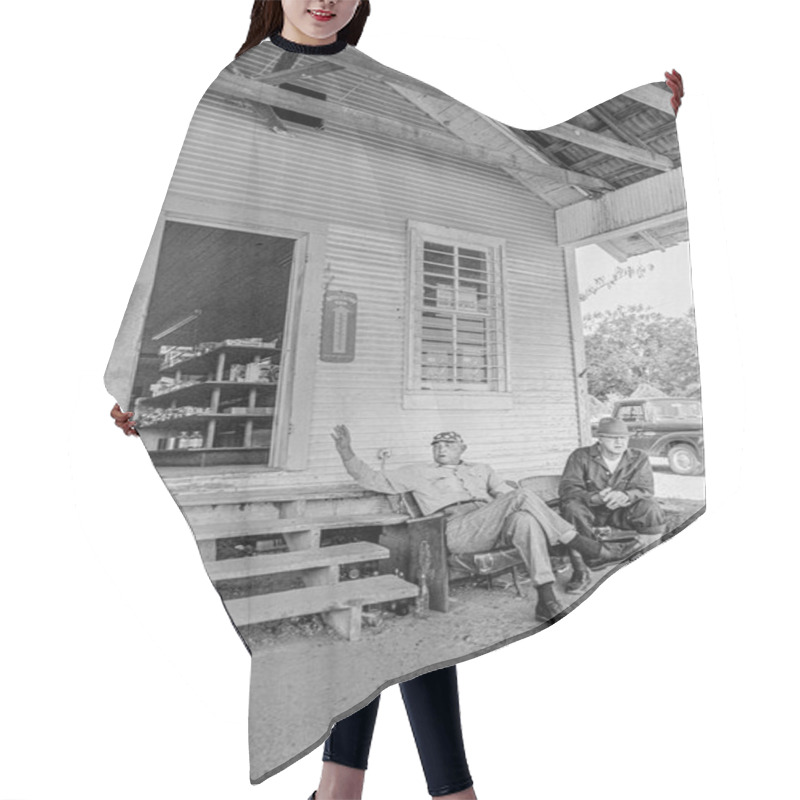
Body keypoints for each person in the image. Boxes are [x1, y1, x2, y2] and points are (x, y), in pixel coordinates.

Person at [107, 3, 685, 797]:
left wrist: (642, 120)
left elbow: (514, 143)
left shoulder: (383, 88)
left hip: (472, 514)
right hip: (429, 511)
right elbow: (174, 239)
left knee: (408, 631)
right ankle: (429, 787)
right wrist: (135, 373)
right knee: (409, 632)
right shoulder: (231, 88)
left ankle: (356, 788)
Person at [332, 424, 640, 623]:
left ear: (462, 450)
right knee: (521, 499)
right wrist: (347, 452)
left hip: (490, 522)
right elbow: (370, 478)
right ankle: (586, 547)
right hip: (455, 529)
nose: (441, 449)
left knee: (523, 519)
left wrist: (522, 508)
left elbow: (508, 497)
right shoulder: (415, 471)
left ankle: (545, 600)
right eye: (436, 445)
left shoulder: (482, 469)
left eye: (448, 445)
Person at [558, 417, 667, 594]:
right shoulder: (580, 456)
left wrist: (627, 495)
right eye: (612, 437)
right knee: (572, 508)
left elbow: (646, 489)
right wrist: (595, 497)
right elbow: (568, 490)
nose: (619, 442)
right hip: (590, 512)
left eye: (623, 438)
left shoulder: (639, 457)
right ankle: (581, 571)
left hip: (622, 512)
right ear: (599, 438)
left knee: (651, 507)